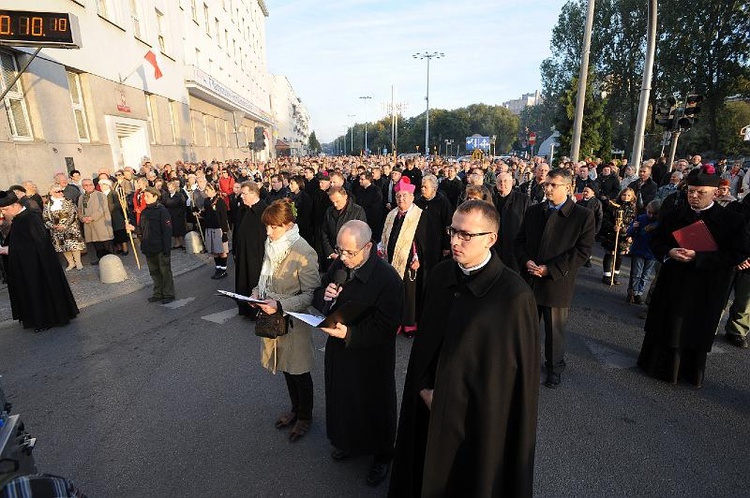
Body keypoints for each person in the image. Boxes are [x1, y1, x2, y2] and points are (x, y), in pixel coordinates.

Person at [389, 200, 539, 497]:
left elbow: (511, 383)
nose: (455, 241)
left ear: (491, 239)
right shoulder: (443, 274)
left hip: (475, 424)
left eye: (466, 235)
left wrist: (450, 401)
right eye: (453, 231)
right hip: (428, 404)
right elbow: (425, 347)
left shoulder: (513, 296)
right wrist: (422, 387)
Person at [312, 220, 403, 487]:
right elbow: (319, 292)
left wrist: (350, 334)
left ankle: (383, 455)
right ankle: (348, 441)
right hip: (340, 352)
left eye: (350, 252)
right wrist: (325, 297)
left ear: (368, 247)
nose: (343, 257)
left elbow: (387, 326)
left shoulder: (388, 279)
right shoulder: (338, 266)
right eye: (340, 250)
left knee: (374, 404)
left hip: (371, 357)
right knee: (344, 399)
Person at [638, 167, 746, 387]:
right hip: (673, 281)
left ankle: (688, 373)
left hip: (706, 286)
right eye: (690, 191)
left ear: (715, 193)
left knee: (694, 329)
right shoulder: (674, 214)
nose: (694, 196)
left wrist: (699, 256)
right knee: (666, 324)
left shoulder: (732, 220)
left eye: (700, 192)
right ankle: (656, 367)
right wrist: (669, 252)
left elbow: (737, 253)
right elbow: (656, 241)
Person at [514, 168, 595, 388]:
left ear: (568, 187)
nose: (547, 188)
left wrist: (551, 269)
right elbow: (519, 241)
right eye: (545, 184)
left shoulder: (582, 215)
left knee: (554, 330)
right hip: (530, 278)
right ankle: (525, 364)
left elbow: (582, 251)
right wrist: (525, 261)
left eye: (553, 185)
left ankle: (554, 368)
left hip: (556, 283)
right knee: (527, 326)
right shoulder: (533, 211)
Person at [251, 199, 321, 442]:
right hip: (273, 318)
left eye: (273, 227)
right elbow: (265, 278)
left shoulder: (304, 251)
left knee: (299, 370)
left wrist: (280, 305)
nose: (268, 232)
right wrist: (255, 294)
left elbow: (311, 295)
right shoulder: (272, 244)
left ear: (289, 225)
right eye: (267, 227)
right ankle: (295, 409)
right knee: (285, 368)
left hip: (293, 321)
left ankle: (305, 416)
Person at [0, 190, 78, 331]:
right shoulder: (19, 219)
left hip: (39, 267)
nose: (3, 214)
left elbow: (38, 244)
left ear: (14, 206)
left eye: (4, 210)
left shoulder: (30, 218)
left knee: (39, 290)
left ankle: (46, 319)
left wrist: (10, 250)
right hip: (28, 265)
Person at [381, 178, 440, 335]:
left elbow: (428, 242)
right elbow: (386, 236)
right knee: (394, 292)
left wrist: (419, 258)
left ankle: (409, 324)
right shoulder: (392, 214)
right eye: (399, 196)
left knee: (409, 294)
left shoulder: (421, 216)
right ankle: (396, 320)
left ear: (412, 197)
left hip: (411, 264)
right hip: (392, 260)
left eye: (405, 195)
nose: (401, 199)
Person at [127, 187, 175, 304]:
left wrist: (166, 249)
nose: (145, 198)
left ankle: (168, 293)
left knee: (165, 271)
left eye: (148, 196)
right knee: (154, 272)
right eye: (144, 196)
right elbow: (141, 230)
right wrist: (133, 228)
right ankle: (158, 293)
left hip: (160, 247)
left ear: (155, 196)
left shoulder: (162, 211)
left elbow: (167, 231)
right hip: (148, 246)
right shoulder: (144, 211)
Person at [233, 182, 268, 318]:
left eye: (244, 194)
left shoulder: (264, 210)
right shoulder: (242, 209)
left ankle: (257, 310)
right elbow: (236, 231)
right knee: (243, 279)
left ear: (253, 193)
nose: (241, 196)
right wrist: (235, 249)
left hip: (257, 254)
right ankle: (244, 308)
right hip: (243, 252)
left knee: (255, 280)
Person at [319, 186, 367, 270]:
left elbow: (362, 236)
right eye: (332, 202)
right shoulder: (329, 211)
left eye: (337, 201)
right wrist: (330, 252)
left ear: (345, 197)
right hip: (333, 256)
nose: (335, 204)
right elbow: (324, 232)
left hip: (351, 257)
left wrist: (348, 254)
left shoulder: (358, 211)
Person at [725, 193, 750, 348]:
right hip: (729, 260)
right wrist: (736, 258)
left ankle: (737, 331)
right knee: (718, 296)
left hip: (748, 266)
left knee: (745, 301)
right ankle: (709, 326)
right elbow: (723, 232)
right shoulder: (736, 206)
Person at [42, 184, 86, 271]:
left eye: (61, 191)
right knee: (63, 247)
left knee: (74, 245)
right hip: (56, 229)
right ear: (52, 193)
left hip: (70, 227)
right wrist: (53, 226)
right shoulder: (48, 205)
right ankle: (71, 263)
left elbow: (73, 214)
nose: (61, 193)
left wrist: (65, 225)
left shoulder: (68, 201)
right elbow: (45, 217)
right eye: (58, 191)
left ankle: (78, 262)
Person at [492, 171, 529, 272]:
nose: (502, 184)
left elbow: (529, 224)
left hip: (515, 247)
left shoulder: (523, 200)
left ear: (512, 182)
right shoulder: (491, 199)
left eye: (505, 181)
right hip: (495, 246)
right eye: (499, 181)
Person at [626, 199, 660, 304]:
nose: (649, 215)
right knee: (636, 273)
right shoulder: (641, 218)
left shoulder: (659, 223)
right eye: (648, 212)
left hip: (651, 252)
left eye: (652, 213)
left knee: (645, 275)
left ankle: (639, 292)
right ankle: (633, 292)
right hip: (639, 249)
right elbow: (630, 232)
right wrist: (634, 228)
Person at [600, 188, 637, 285]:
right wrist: (613, 226)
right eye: (624, 195)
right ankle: (607, 275)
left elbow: (634, 222)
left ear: (632, 197)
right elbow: (606, 219)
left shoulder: (633, 208)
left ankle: (615, 275)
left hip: (625, 234)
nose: (626, 197)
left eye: (629, 195)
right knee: (609, 254)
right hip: (612, 234)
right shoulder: (613, 205)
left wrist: (631, 234)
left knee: (620, 255)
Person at [415, 174, 453, 259]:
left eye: (425, 187)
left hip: (436, 243)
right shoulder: (418, 202)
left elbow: (448, 224)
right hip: (420, 243)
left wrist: (446, 245)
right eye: (422, 187)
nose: (422, 189)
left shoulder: (443, 202)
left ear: (434, 188)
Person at [77, 178, 114, 265]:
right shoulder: (81, 197)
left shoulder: (100, 195)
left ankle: (110, 261)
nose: (89, 187)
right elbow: (79, 210)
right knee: (96, 243)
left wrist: (92, 217)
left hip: (100, 223)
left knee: (105, 243)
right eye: (86, 185)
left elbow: (102, 209)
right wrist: (82, 218)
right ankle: (101, 260)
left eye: (90, 184)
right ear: (83, 187)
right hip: (89, 224)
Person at [202, 183, 230, 279]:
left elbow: (224, 218)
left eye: (208, 190)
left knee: (221, 251)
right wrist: (199, 212)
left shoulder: (220, 201)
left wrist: (225, 232)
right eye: (205, 191)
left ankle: (223, 269)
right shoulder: (206, 201)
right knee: (214, 251)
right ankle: (218, 268)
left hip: (219, 229)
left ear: (214, 190)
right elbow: (206, 214)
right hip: (210, 228)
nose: (207, 193)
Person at [161, 180, 187, 249]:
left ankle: (183, 243)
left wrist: (180, 213)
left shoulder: (179, 195)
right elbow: (164, 203)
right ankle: (177, 243)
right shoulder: (166, 195)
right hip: (170, 214)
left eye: (171, 188)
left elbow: (183, 205)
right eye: (169, 188)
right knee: (173, 229)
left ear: (174, 187)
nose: (169, 189)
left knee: (179, 229)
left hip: (178, 215)